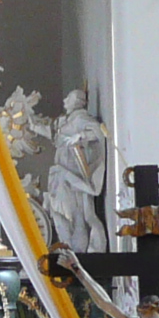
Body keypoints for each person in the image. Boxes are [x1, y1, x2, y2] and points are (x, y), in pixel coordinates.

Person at [45, 88, 111, 252]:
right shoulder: (67, 121)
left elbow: (97, 132)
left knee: (76, 215)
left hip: (74, 174)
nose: (64, 101)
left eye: (68, 98)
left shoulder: (80, 118)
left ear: (76, 102)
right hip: (63, 173)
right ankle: (71, 248)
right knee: (63, 213)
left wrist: (80, 137)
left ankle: (79, 251)